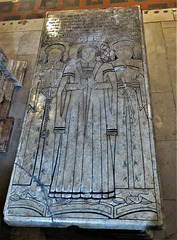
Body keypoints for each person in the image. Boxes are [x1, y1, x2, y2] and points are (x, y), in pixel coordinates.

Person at [49, 43, 118, 199]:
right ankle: (66, 187)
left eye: (91, 51)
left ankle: (100, 189)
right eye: (85, 51)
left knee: (96, 143)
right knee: (72, 143)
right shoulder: (72, 66)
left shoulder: (103, 66)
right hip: (75, 108)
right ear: (80, 53)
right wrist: (76, 86)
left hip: (97, 109)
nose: (88, 53)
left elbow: (113, 87)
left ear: (96, 53)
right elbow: (62, 88)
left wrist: (97, 85)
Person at [112, 38, 154, 190]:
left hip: (135, 105)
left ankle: (140, 182)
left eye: (127, 49)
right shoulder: (111, 67)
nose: (124, 52)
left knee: (136, 139)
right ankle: (119, 183)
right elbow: (108, 86)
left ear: (132, 52)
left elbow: (143, 86)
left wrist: (137, 88)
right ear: (115, 53)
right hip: (117, 104)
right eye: (120, 50)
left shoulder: (138, 67)